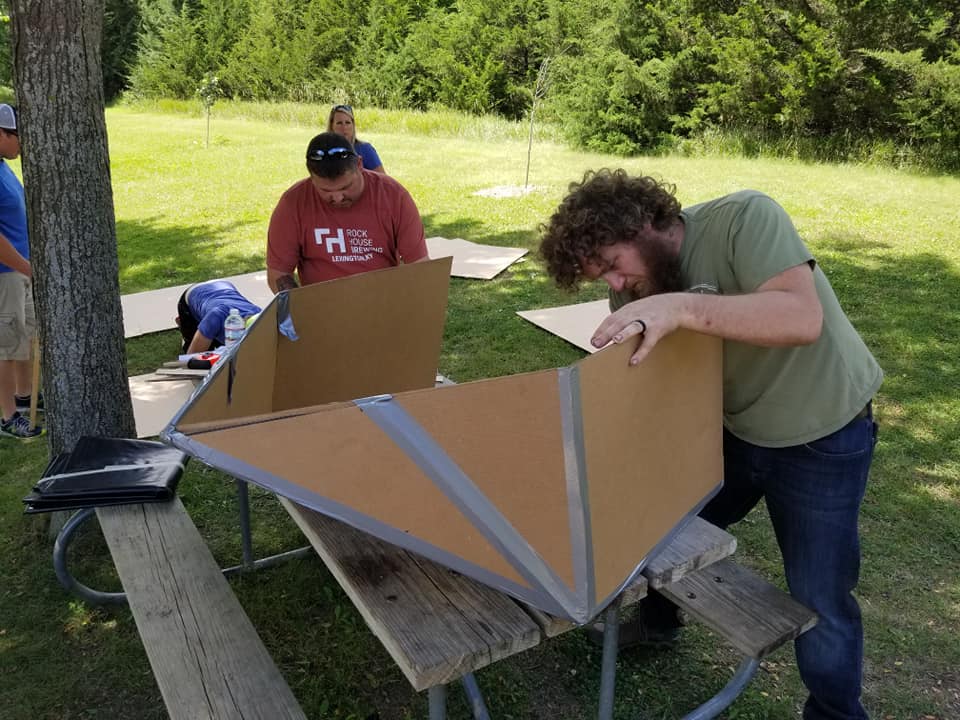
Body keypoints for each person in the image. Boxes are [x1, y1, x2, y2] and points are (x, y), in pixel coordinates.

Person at [539, 169, 881, 720]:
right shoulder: (637, 290)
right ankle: (657, 623)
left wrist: (680, 308)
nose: (617, 285)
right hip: (735, 429)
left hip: (823, 434)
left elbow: (801, 316)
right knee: (662, 523)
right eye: (599, 276)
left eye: (612, 264)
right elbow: (659, 379)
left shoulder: (745, 218)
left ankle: (835, 713)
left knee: (821, 599)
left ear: (644, 223)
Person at [266, 132, 428, 293]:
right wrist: (301, 309)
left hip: (383, 303)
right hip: (320, 307)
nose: (337, 197)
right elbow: (279, 273)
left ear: (359, 165)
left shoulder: (394, 196)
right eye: (325, 190)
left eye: (346, 187)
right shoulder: (293, 203)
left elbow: (419, 265)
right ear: (311, 176)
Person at [0, 103, 43, 440]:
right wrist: (26, 267)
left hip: (21, 272)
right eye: (17, 136)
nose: (21, 143)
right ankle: (7, 415)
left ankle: (25, 396)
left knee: (25, 340)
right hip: (6, 274)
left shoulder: (4, 166)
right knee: (6, 344)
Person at [176, 279, 261, 354]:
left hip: (222, 286)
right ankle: (184, 323)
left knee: (223, 346)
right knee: (205, 355)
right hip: (192, 294)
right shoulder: (216, 316)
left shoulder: (260, 313)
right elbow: (192, 356)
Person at [326, 104, 385, 174]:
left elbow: (383, 180)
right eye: (339, 123)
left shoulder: (365, 150)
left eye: (347, 123)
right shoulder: (324, 152)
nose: (344, 127)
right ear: (331, 126)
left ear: (353, 125)